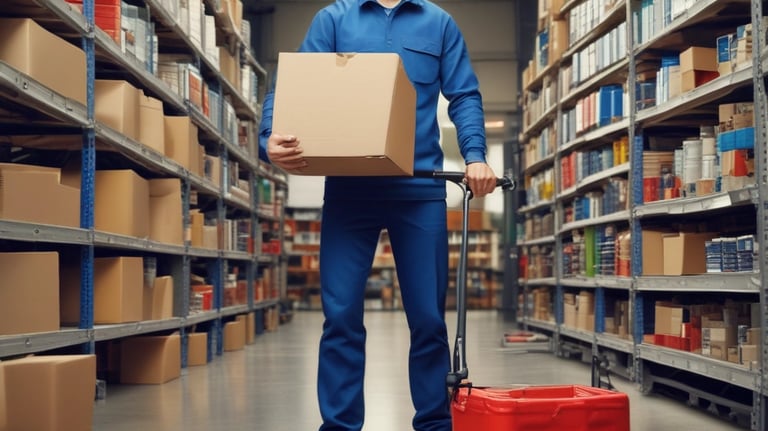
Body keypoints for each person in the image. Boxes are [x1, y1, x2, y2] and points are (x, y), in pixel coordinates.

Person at [258, 1, 497, 429]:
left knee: (427, 318)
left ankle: (434, 424)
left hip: (419, 189)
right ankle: (340, 426)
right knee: (341, 316)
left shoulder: (438, 23)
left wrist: (476, 156)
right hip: (351, 189)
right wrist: (269, 137)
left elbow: (464, 95)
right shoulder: (333, 20)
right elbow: (293, 85)